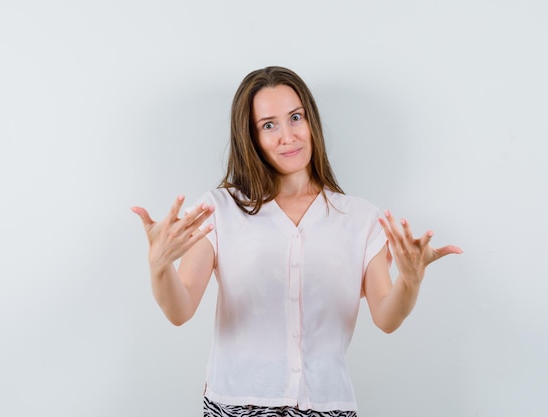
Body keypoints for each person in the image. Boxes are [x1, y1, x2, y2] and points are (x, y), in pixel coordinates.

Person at [131, 66, 462, 417]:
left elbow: (387, 317)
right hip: (237, 403)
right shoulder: (219, 209)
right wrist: (159, 264)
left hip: (327, 405)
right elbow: (179, 310)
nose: (287, 136)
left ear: (311, 121)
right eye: (269, 125)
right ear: (251, 137)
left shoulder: (360, 218)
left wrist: (410, 281)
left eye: (295, 117)